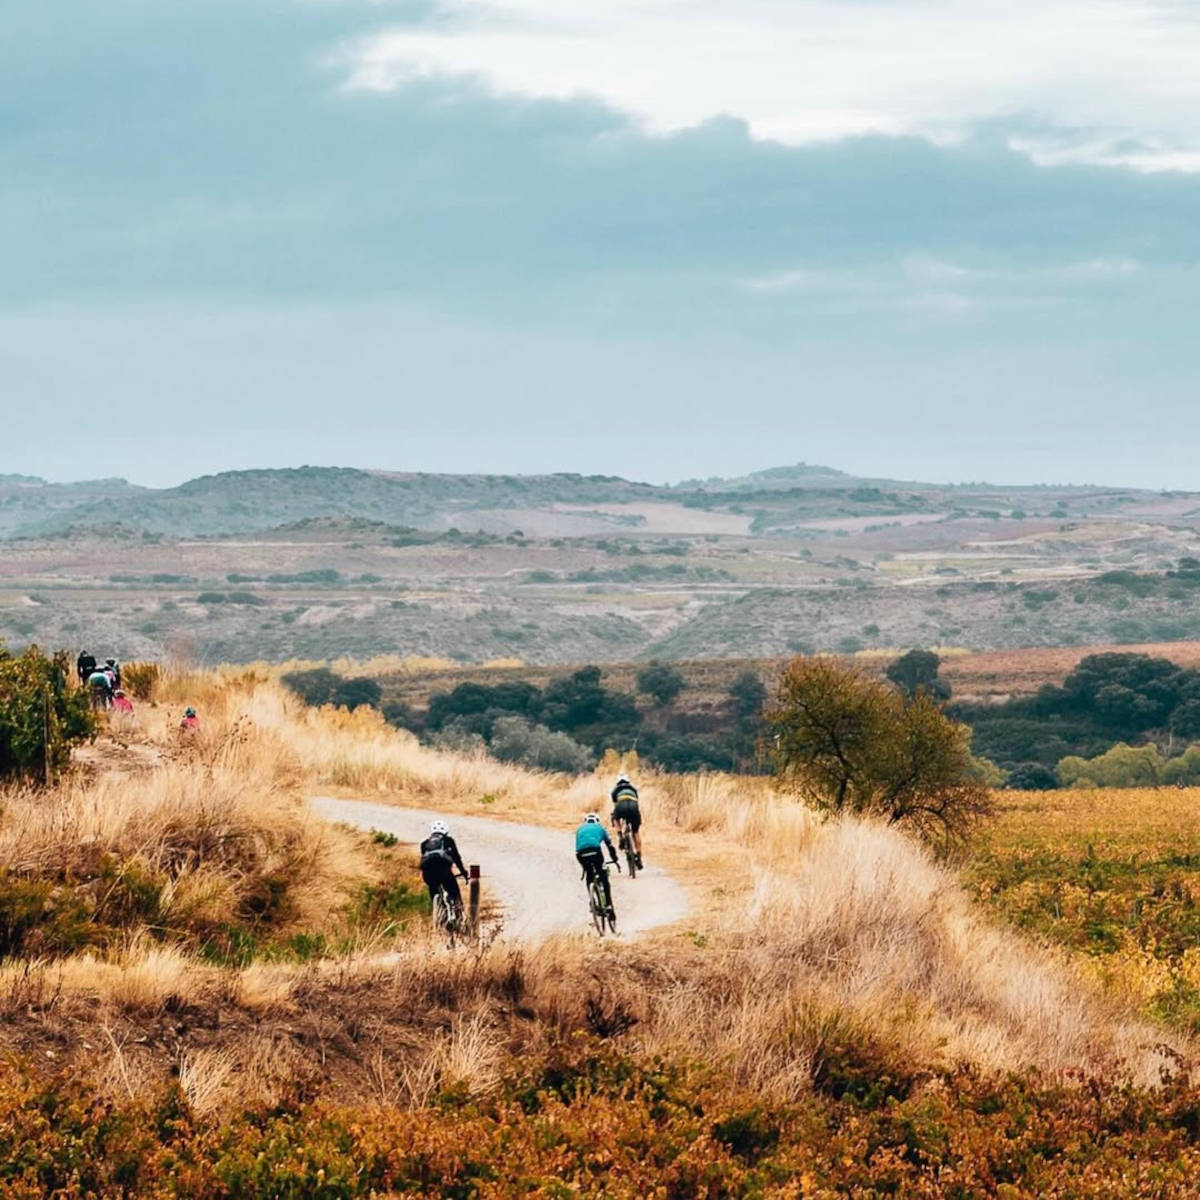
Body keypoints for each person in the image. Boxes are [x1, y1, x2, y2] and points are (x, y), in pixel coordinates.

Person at [419, 819, 469, 914]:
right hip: (444, 872)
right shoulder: (448, 840)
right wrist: (463, 872)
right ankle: (459, 914)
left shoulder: (424, 844)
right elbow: (456, 858)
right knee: (454, 891)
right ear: (446, 831)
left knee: (434, 891)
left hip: (428, 874)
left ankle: (438, 911)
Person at [575, 812, 619, 917]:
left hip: (580, 854)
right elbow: (610, 846)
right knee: (603, 877)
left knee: (589, 874)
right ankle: (608, 904)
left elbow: (579, 845)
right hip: (595, 851)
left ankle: (592, 901)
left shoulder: (579, 830)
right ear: (597, 821)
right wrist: (614, 859)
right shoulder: (600, 828)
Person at [610, 773, 643, 869]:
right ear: (628, 781)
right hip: (633, 807)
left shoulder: (615, 790)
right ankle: (639, 856)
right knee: (636, 832)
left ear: (618, 782)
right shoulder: (633, 789)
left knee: (615, 818)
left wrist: (615, 814)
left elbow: (615, 804)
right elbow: (636, 800)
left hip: (621, 806)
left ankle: (620, 836)